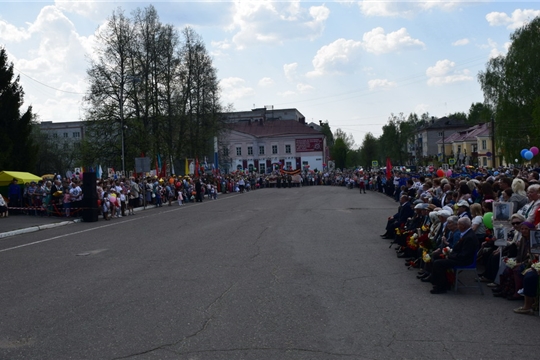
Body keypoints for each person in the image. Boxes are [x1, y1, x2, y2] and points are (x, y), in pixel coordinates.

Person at [429, 217, 478, 294]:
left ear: (463, 226)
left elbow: (465, 254)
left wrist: (449, 255)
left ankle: (441, 287)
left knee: (438, 263)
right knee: (437, 257)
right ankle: (442, 283)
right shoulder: (466, 233)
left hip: (464, 260)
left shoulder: (469, 237)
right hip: (458, 256)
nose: (457, 226)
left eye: (458, 224)